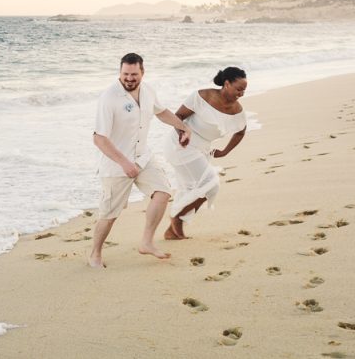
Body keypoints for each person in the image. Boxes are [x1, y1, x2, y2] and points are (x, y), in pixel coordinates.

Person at [89, 53, 191, 268]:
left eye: (134, 74)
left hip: (143, 157)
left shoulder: (147, 90)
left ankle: (146, 242)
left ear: (142, 73)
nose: (129, 78)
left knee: (163, 193)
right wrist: (124, 163)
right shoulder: (109, 98)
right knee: (109, 214)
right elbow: (99, 138)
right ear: (120, 73)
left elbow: (161, 112)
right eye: (125, 74)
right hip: (116, 165)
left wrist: (182, 127)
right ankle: (95, 254)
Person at [162, 67, 248, 240]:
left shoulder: (237, 111)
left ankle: (173, 230)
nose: (242, 93)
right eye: (239, 89)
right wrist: (182, 133)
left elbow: (240, 132)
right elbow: (177, 116)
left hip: (202, 150)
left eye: (244, 90)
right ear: (226, 83)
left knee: (191, 189)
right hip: (181, 145)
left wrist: (224, 151)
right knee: (211, 184)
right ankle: (177, 217)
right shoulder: (202, 96)